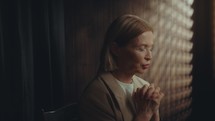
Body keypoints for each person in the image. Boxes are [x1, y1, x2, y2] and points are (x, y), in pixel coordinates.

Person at [79, 14, 164, 121]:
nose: (149, 56)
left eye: (150, 48)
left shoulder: (144, 86)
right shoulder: (97, 94)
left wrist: (154, 110)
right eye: (142, 48)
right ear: (116, 49)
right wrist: (144, 115)